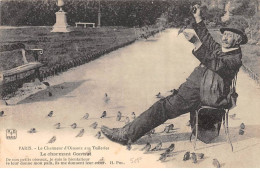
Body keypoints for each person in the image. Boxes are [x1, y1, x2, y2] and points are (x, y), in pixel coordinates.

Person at [101, 5, 248, 146]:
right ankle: (127, 131)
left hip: (203, 95)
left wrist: (196, 43)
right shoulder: (224, 50)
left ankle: (125, 135)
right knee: (164, 103)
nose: (224, 38)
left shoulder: (235, 59)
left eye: (229, 36)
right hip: (195, 90)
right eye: (225, 34)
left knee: (162, 107)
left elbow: (216, 64)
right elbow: (208, 40)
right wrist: (198, 18)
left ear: (238, 40)